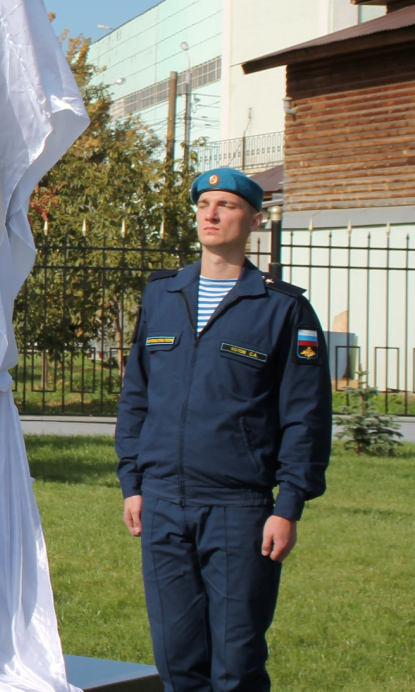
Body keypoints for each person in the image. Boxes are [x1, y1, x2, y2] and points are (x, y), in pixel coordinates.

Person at [116, 167, 332, 692]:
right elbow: (137, 395)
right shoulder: (163, 295)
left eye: (227, 205)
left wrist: (288, 506)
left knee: (236, 666)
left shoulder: (283, 308)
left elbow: (305, 416)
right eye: (203, 204)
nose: (211, 215)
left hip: (239, 508)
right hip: (162, 504)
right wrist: (132, 483)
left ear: (254, 220)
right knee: (177, 662)